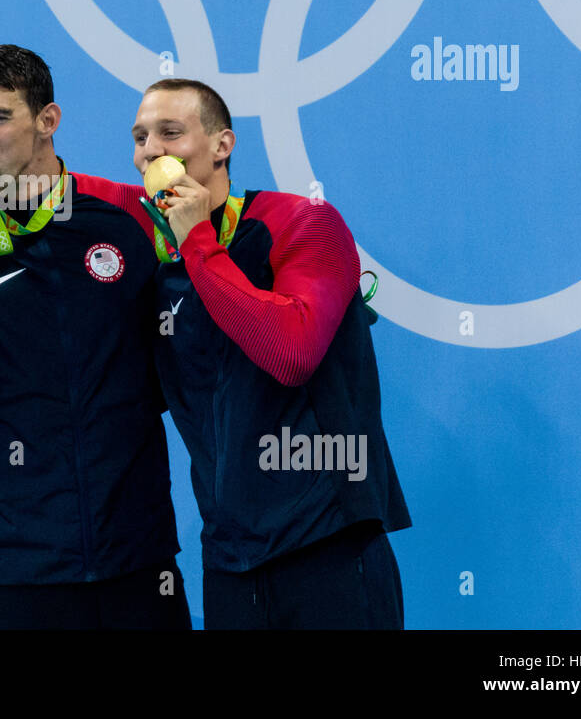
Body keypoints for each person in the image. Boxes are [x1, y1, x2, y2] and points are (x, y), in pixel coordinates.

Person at [0, 44, 189, 630]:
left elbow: (184, 359)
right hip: (13, 565)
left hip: (137, 553)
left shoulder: (130, 217)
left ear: (47, 120)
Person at [131, 77, 411, 629]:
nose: (151, 151)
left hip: (327, 544)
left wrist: (198, 245)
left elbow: (291, 354)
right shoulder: (162, 268)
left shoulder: (303, 223)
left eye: (170, 132)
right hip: (231, 561)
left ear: (222, 145)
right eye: (140, 137)